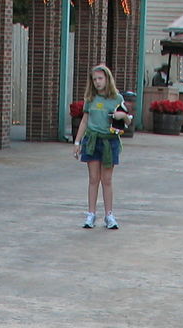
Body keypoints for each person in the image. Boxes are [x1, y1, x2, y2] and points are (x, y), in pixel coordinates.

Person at [73, 64, 132, 229]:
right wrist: (77, 142)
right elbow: (84, 121)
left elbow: (128, 120)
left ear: (107, 79)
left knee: (107, 179)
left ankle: (109, 215)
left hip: (109, 141)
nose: (97, 82)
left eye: (100, 78)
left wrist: (123, 116)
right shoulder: (90, 99)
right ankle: (91, 214)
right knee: (93, 179)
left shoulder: (117, 98)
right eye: (95, 79)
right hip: (92, 140)